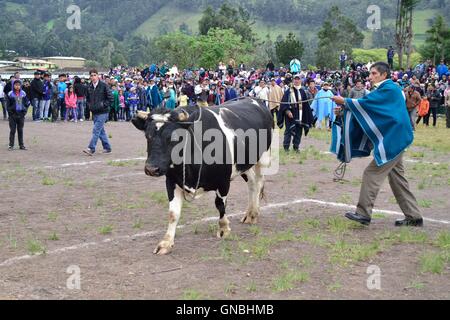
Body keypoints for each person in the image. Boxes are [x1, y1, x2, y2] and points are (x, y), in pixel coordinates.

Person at [332, 62, 423, 227]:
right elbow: (371, 108)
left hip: (394, 140)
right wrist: (345, 108)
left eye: (374, 73)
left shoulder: (389, 89)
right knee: (398, 180)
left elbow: (367, 104)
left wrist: (345, 101)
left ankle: (363, 213)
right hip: (397, 138)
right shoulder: (386, 90)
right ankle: (414, 216)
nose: (371, 76)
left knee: (371, 174)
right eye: (370, 73)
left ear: (384, 74)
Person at [278, 74, 314, 152]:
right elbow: (284, 102)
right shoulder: (289, 91)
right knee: (288, 131)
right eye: (295, 79)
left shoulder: (302, 91)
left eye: (298, 79)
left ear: (300, 80)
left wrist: (309, 116)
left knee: (298, 132)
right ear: (293, 80)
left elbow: (306, 105)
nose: (297, 81)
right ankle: (286, 147)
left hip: (300, 116)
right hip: (290, 116)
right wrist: (287, 111)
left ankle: (296, 147)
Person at [83, 69, 113, 156]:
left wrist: (103, 105)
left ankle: (91, 148)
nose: (93, 77)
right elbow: (87, 99)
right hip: (95, 112)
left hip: (103, 112)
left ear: (98, 75)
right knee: (101, 131)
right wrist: (89, 106)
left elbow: (110, 98)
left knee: (96, 130)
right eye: (91, 75)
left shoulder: (104, 85)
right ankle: (107, 148)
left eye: (94, 75)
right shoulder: (89, 87)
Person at [7, 80, 30, 151]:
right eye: (16, 85)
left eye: (18, 85)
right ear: (13, 85)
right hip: (12, 116)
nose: (17, 86)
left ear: (20, 86)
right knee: (12, 130)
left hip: (21, 115)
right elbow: (7, 105)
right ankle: (11, 145)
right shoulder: (10, 94)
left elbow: (27, 103)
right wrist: (11, 113)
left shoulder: (23, 93)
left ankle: (21, 145)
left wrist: (24, 112)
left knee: (20, 130)